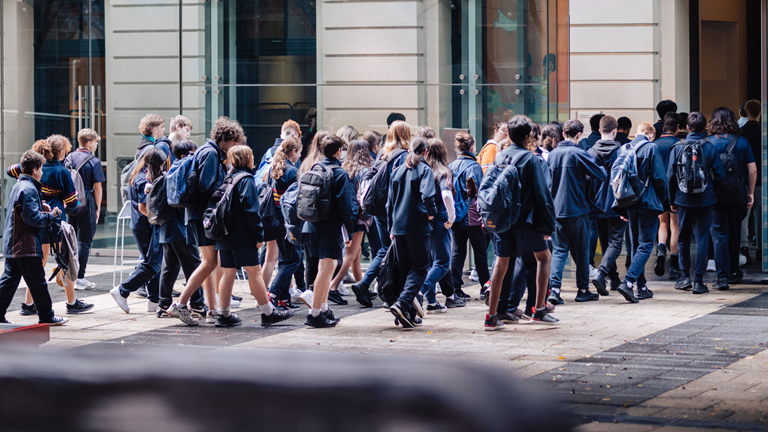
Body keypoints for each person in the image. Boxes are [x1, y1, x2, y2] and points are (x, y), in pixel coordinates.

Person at [485, 116, 557, 330]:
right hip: (526, 221)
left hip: (503, 220)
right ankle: (538, 310)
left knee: (501, 263)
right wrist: (548, 225)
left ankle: (491, 316)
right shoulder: (531, 159)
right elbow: (542, 194)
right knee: (544, 258)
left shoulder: (500, 156)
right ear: (528, 137)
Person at [170, 117, 244, 325]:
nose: (235, 147)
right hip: (204, 216)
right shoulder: (211, 154)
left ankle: (212, 310)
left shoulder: (208, 151)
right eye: (235, 143)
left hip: (199, 215)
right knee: (210, 262)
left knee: (209, 263)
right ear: (227, 138)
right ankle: (180, 304)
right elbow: (207, 186)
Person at [7, 138, 93, 315]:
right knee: (64, 261)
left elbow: (11, 170)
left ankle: (28, 304)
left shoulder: (32, 168)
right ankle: (72, 302)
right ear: (60, 152)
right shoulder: (61, 172)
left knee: (39, 264)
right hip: (53, 221)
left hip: (36, 224)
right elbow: (71, 203)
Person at [212, 145, 295, 327]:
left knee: (228, 273)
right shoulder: (246, 179)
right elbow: (251, 211)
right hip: (242, 235)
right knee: (255, 273)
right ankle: (268, 312)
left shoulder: (228, 178)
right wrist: (259, 236)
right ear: (247, 158)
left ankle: (224, 314)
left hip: (225, 235)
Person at [0, 150, 68, 325]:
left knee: (9, 281)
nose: (43, 172)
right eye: (42, 168)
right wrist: (51, 215)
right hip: (25, 245)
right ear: (35, 169)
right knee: (38, 282)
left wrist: (40, 208)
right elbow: (33, 219)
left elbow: (24, 212)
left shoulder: (19, 185)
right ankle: (46, 316)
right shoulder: (29, 188)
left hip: (14, 243)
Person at [349, 122, 410, 305]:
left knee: (385, 249)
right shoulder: (402, 157)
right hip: (393, 211)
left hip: (379, 210)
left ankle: (365, 283)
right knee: (396, 251)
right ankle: (388, 290)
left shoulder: (383, 156)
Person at [547, 119, 606, 304]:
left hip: (557, 210)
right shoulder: (579, 153)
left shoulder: (553, 155)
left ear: (563, 134)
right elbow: (601, 175)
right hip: (578, 208)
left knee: (559, 250)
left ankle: (554, 290)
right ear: (579, 136)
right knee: (581, 251)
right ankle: (582, 290)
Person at [302, 135, 358, 328]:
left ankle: (323, 308)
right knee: (326, 268)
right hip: (329, 227)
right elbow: (346, 207)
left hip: (311, 224)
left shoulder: (314, 167)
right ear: (338, 151)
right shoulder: (340, 173)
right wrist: (349, 232)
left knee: (327, 266)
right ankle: (314, 313)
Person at [668, 112, 725, 295]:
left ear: (687, 127)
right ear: (704, 128)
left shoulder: (677, 147)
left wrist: (672, 200)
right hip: (705, 199)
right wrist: (712, 193)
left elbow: (669, 177)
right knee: (702, 238)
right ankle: (699, 281)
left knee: (683, 237)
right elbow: (720, 175)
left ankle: (684, 277)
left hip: (683, 199)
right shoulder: (709, 147)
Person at [615, 123, 668, 303]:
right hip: (648, 202)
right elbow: (660, 179)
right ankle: (629, 282)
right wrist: (665, 202)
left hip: (629, 202)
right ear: (651, 135)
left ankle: (642, 286)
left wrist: (621, 207)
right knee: (645, 244)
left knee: (635, 246)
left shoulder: (624, 148)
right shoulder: (651, 148)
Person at [387, 137, 435, 329]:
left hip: (398, 226)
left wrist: (391, 226)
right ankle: (403, 303)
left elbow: (389, 203)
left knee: (405, 269)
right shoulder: (424, 170)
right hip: (417, 225)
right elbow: (428, 195)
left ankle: (407, 314)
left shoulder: (397, 171)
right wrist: (431, 213)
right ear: (426, 152)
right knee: (421, 266)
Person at [156, 140, 207, 318]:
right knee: (193, 265)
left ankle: (163, 304)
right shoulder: (185, 170)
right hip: (179, 227)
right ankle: (198, 304)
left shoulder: (172, 169)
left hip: (168, 227)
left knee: (169, 267)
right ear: (186, 155)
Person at [110, 148, 164, 312]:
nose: (162, 168)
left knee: (154, 263)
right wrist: (158, 219)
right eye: (161, 165)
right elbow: (143, 207)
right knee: (152, 263)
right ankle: (123, 290)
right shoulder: (142, 179)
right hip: (145, 225)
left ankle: (153, 301)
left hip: (143, 225)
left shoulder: (139, 174)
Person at [708, 107, 756, 290]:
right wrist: (750, 193)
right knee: (735, 233)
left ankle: (722, 278)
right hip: (737, 196)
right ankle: (734, 272)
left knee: (719, 235)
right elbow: (752, 169)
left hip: (715, 197)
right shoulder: (742, 142)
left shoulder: (708, 143)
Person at [261, 120, 302, 294]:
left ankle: (280, 297)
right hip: (287, 221)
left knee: (282, 259)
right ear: (293, 151)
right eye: (299, 152)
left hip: (275, 220)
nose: (300, 156)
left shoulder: (273, 168)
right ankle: (274, 293)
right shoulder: (292, 171)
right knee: (292, 261)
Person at [328, 140, 371, 301]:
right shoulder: (365, 171)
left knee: (356, 253)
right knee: (352, 253)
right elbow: (365, 197)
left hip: (346, 214)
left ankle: (361, 285)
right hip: (358, 216)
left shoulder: (345, 168)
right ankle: (333, 286)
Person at [588, 116, 626, 295]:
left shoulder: (590, 152)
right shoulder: (621, 151)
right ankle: (602, 274)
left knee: (605, 243)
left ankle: (614, 279)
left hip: (597, 204)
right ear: (615, 131)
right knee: (616, 243)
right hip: (616, 202)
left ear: (599, 131)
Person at [419, 138, 456, 314]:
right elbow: (447, 195)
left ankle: (432, 303)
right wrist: (451, 217)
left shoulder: (424, 170)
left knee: (429, 262)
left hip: (424, 221)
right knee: (442, 262)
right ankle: (419, 293)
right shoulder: (443, 172)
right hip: (440, 220)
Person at [448, 133, 487, 302]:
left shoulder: (451, 165)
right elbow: (479, 192)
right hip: (472, 216)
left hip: (456, 215)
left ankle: (456, 288)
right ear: (472, 147)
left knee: (458, 251)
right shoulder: (474, 167)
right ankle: (485, 287)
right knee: (480, 252)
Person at [66, 129, 104, 290]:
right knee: (84, 242)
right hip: (87, 202)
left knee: (70, 241)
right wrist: (97, 208)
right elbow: (97, 188)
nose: (96, 144)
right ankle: (80, 278)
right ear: (89, 143)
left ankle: (68, 276)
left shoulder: (68, 158)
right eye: (96, 141)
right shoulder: (93, 161)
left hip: (70, 201)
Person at [653, 112, 684, 279]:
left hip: (658, 191)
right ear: (677, 127)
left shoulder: (654, 144)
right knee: (675, 226)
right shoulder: (679, 145)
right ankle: (673, 264)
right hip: (675, 191)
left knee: (662, 223)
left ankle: (660, 253)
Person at [739, 99, 762, 263]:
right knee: (761, 215)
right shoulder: (763, 132)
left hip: (744, 179)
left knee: (744, 216)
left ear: (745, 113)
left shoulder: (741, 133)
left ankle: (743, 247)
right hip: (762, 180)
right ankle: (761, 247)